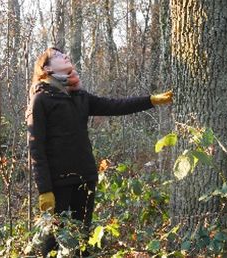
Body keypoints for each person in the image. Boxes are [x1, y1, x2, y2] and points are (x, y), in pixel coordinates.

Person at [26, 47, 173, 256]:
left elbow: (115, 106)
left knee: (81, 239)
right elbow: (36, 147)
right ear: (47, 68)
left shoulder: (78, 96)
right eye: (57, 56)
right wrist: (44, 189)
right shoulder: (41, 99)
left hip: (85, 177)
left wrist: (151, 100)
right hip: (58, 183)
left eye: (64, 53)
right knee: (52, 240)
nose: (65, 55)